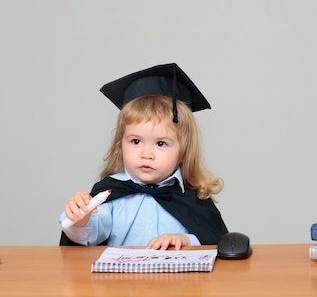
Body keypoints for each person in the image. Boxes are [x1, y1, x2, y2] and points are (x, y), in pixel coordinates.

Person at [59, 63, 228, 250]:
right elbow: (88, 236)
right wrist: (81, 220)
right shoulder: (110, 194)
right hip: (122, 279)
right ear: (120, 145)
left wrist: (186, 240)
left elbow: (214, 240)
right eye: (136, 141)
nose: (146, 154)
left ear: (183, 153)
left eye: (161, 143)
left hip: (179, 279)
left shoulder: (194, 199)